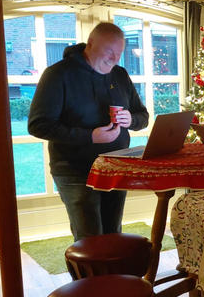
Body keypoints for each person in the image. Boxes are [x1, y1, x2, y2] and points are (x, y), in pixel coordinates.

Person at [28, 22, 148, 240]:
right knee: (90, 239)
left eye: (119, 53)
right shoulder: (58, 75)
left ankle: (112, 264)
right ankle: (89, 265)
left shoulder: (120, 75)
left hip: (115, 166)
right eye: (109, 51)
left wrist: (131, 119)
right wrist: (90, 136)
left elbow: (143, 117)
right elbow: (38, 125)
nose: (115, 59)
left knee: (113, 235)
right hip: (75, 170)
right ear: (90, 44)